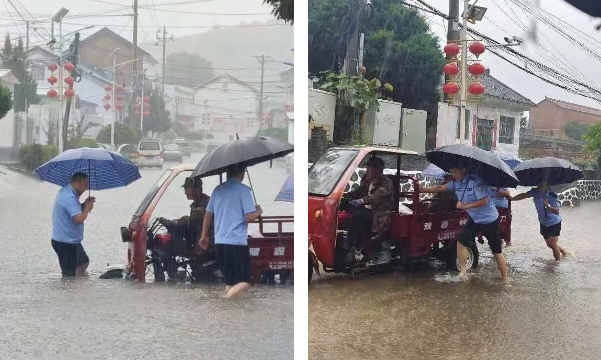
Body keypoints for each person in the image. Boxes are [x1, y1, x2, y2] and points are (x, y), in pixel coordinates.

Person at [420, 167, 508, 280]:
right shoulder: (457, 183)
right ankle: (463, 272)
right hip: (474, 219)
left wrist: (465, 206)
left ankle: (505, 279)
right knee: (461, 242)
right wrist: (423, 189)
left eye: (455, 172)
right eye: (451, 172)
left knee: (496, 251)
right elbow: (440, 187)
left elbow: (484, 201)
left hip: (489, 220)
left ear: (463, 171)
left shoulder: (476, 182)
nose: (453, 175)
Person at [198, 165, 262, 298]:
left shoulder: (217, 190)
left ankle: (229, 314)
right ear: (242, 173)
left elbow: (208, 215)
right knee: (246, 281)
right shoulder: (243, 190)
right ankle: (225, 301)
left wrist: (204, 236)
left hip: (220, 242)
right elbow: (250, 217)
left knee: (230, 283)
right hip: (236, 242)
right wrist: (258, 212)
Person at [158, 177, 212, 280]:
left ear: (196, 189)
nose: (185, 192)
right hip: (196, 235)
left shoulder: (206, 202)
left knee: (178, 230)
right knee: (172, 235)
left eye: (187, 189)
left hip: (206, 237)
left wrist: (175, 222)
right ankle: (174, 272)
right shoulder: (195, 204)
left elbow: (195, 217)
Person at [344, 157, 393, 262]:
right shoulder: (367, 179)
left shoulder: (386, 183)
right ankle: (352, 245)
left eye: (370, 168)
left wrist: (361, 201)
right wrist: (345, 196)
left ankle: (351, 244)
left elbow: (376, 197)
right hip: (366, 210)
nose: (367, 170)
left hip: (380, 213)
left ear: (378, 170)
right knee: (347, 214)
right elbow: (358, 191)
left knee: (359, 216)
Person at [51, 172, 95, 278]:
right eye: (85, 185)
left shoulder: (67, 192)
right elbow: (78, 218)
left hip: (70, 240)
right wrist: (87, 208)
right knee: (68, 276)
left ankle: (76, 289)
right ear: (78, 183)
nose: (86, 188)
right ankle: (67, 293)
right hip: (65, 243)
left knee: (83, 262)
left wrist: (84, 204)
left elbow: (72, 210)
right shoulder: (68, 197)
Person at [510, 182, 568, 261]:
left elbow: (557, 211)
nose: (539, 186)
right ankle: (564, 253)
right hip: (543, 222)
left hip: (553, 222)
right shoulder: (535, 192)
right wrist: (511, 199)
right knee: (549, 244)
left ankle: (557, 265)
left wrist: (548, 206)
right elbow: (524, 195)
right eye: (539, 184)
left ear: (547, 185)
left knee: (552, 244)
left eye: (542, 184)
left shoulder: (552, 195)